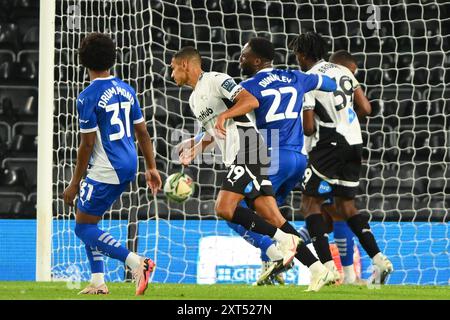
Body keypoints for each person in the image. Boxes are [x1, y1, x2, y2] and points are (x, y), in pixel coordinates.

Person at [171, 46, 335, 292]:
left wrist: (225, 115)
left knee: (224, 207)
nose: (171, 73)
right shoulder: (194, 99)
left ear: (185, 65)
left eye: (173, 67)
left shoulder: (217, 80)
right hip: (242, 153)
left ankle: (282, 242)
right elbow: (214, 130)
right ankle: (317, 269)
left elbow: (250, 100)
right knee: (273, 216)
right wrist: (196, 147)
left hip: (249, 148)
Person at [222, 37, 339, 285]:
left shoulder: (249, 86)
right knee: (273, 218)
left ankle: (274, 255)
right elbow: (329, 83)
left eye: (244, 56)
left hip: (271, 157)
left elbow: (233, 118)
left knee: (233, 210)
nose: (240, 59)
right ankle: (311, 268)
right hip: (298, 160)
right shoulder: (296, 77)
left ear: (256, 60)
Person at [62, 33, 162, 295]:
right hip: (129, 163)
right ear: (112, 59)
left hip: (107, 167)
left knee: (83, 227)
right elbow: (142, 132)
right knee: (88, 220)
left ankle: (137, 263)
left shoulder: (87, 96)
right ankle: (97, 281)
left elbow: (86, 144)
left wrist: (74, 183)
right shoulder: (126, 89)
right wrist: (151, 167)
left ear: (83, 60)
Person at [292, 32, 393, 284]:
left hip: (328, 145)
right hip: (355, 142)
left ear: (302, 55)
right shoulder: (343, 71)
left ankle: (327, 268)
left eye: (297, 56)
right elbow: (366, 108)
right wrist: (345, 123)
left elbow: (308, 129)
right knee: (345, 207)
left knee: (310, 204)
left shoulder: (309, 79)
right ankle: (379, 258)